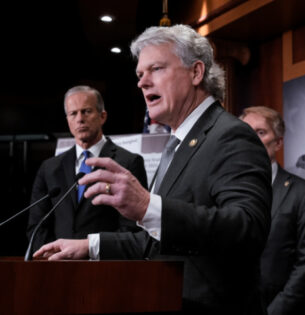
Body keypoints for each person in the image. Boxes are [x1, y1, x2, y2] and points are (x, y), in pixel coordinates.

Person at [34, 25, 272, 314]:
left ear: (196, 73)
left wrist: (147, 206)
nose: (142, 83)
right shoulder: (178, 144)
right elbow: (157, 242)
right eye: (139, 75)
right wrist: (89, 246)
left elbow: (248, 229)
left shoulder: (230, 135)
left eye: (155, 69)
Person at [27, 85, 148, 252]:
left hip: (104, 267)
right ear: (67, 120)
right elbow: (37, 227)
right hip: (57, 266)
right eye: (73, 113)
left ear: (102, 116)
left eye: (86, 111)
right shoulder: (49, 168)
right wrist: (54, 256)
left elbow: (131, 229)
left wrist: (91, 252)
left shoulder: (128, 163)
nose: (80, 119)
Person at [240, 106, 305, 315]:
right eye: (247, 131)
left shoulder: (303, 193)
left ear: (278, 142)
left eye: (261, 132)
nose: (252, 138)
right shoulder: (225, 190)